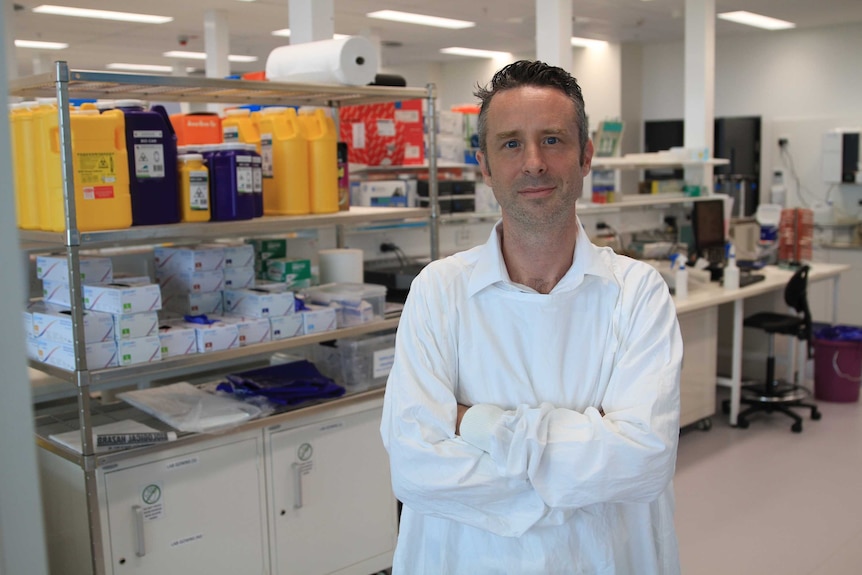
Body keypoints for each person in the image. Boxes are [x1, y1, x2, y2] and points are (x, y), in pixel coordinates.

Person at [380, 59, 683, 574]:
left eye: (553, 140)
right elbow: (414, 468)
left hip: (603, 561)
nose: (534, 162)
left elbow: (643, 461)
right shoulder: (438, 291)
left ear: (586, 155)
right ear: (485, 165)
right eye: (512, 143)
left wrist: (471, 422)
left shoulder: (637, 293)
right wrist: (585, 457)